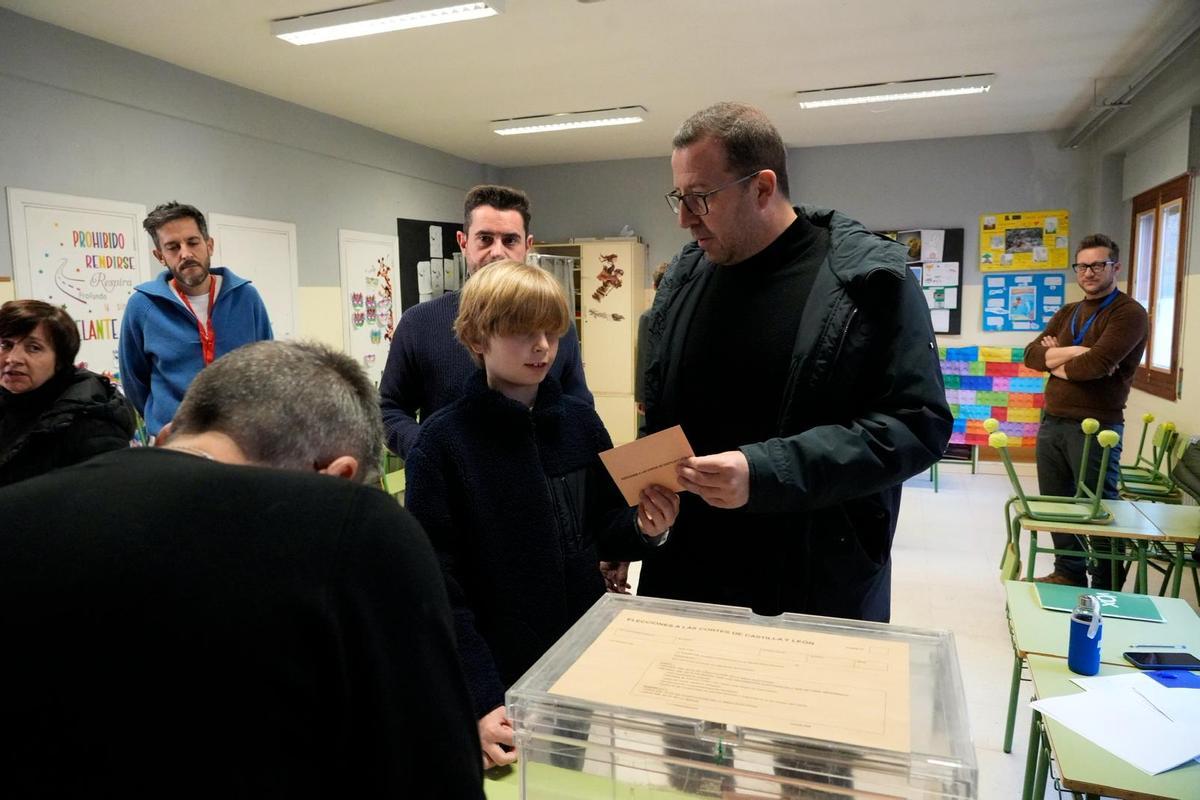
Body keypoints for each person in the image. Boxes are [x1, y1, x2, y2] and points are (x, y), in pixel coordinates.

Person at [0, 341, 485, 797]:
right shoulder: (352, 528)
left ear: (169, 435)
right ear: (337, 479)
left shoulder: (16, 514)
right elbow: (432, 773)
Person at [639, 102, 952, 622]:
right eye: (679, 196)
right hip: (688, 574)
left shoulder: (869, 281)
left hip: (810, 582)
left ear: (762, 188)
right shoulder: (684, 277)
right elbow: (666, 409)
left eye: (700, 198)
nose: (683, 218)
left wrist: (764, 473)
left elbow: (916, 425)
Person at [404, 260, 679, 769]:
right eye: (521, 331)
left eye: (551, 332)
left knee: (569, 770)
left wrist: (646, 528)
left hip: (582, 652)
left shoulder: (579, 423)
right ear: (478, 336)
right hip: (497, 666)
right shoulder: (443, 444)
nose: (542, 347)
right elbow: (438, 587)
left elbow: (605, 528)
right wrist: (480, 696)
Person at [379, 184, 591, 458]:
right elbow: (388, 409)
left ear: (527, 245)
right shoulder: (419, 323)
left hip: (537, 485)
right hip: (449, 493)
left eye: (510, 240)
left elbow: (578, 404)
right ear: (463, 242)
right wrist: (433, 451)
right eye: (485, 239)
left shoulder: (555, 328)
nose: (497, 252)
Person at [1024, 233, 1148, 589]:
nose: (1089, 272)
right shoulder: (1069, 311)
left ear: (1115, 267)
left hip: (1096, 427)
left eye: (1098, 265)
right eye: (1082, 265)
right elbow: (1032, 356)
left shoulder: (1129, 313)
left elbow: (1097, 365)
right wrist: (1076, 351)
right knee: (1057, 504)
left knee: (1098, 508)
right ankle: (1069, 571)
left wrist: (1058, 356)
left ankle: (1108, 584)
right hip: (1053, 422)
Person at [119, 201, 272, 436]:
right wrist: (162, 418)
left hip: (239, 435)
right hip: (175, 441)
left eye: (193, 242)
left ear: (209, 245)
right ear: (160, 256)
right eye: (172, 247)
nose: (186, 253)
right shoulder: (143, 306)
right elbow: (134, 380)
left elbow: (267, 366)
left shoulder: (246, 297)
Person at [1, 299, 134, 486]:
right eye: (5, 345)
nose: (12, 358)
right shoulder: (8, 402)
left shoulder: (94, 423)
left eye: (34, 348)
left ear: (61, 361)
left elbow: (108, 501)